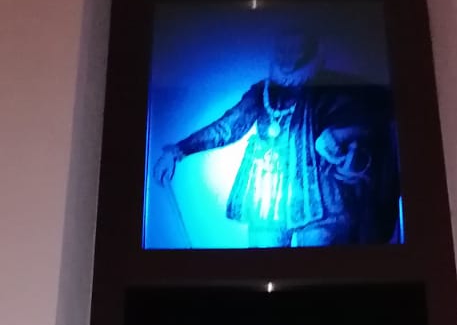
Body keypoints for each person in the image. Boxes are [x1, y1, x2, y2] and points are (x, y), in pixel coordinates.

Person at [153, 26, 398, 247]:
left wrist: (342, 145)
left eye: (295, 49)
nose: (287, 56)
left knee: (319, 275)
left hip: (323, 205)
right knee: (263, 270)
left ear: (310, 50)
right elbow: (228, 127)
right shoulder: (262, 92)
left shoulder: (334, 88)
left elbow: (367, 128)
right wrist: (177, 151)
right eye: (283, 49)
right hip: (268, 203)